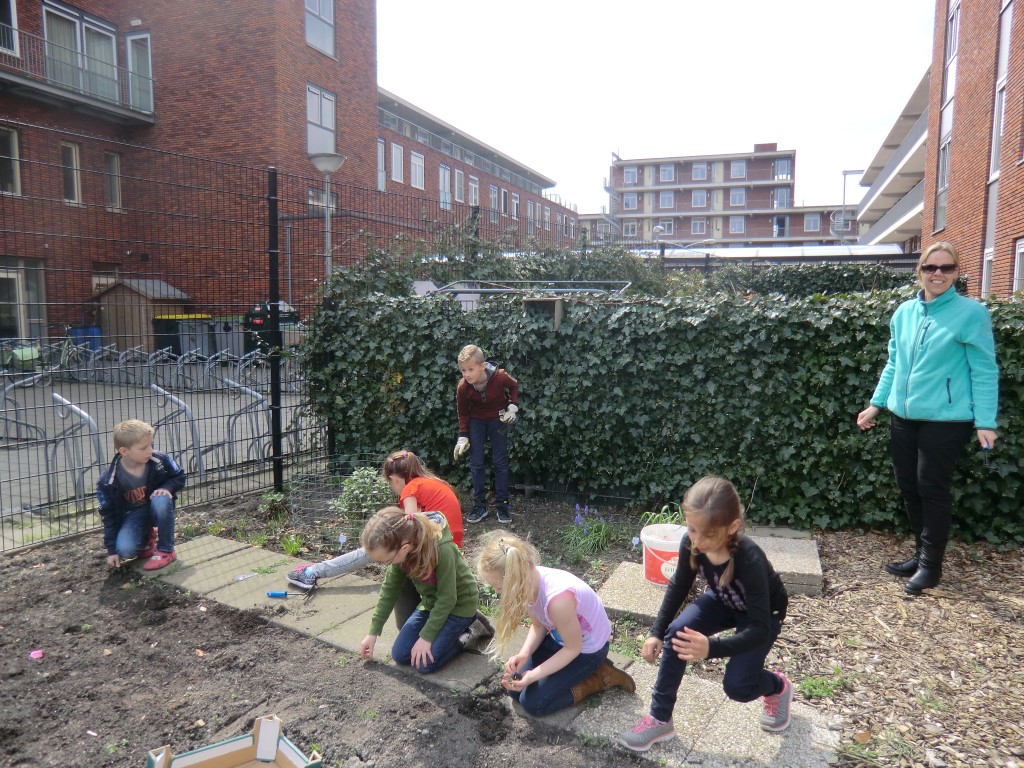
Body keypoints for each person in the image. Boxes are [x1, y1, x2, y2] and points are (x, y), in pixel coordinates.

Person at [857, 241, 999, 595]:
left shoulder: (971, 314)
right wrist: (876, 404)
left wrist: (985, 421)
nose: (938, 274)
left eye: (946, 268)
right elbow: (894, 363)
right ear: (919, 271)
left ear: (956, 273)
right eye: (930, 267)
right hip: (904, 416)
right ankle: (921, 554)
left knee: (931, 487)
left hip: (946, 420)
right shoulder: (904, 312)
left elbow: (984, 371)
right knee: (909, 487)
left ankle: (931, 567)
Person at [619, 476, 790, 753]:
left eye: (708, 534)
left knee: (738, 687)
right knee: (677, 634)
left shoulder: (750, 559)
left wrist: (711, 647)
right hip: (723, 600)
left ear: (732, 527)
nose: (697, 541)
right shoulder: (693, 541)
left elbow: (758, 628)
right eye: (693, 530)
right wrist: (656, 632)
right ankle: (660, 718)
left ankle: (777, 686)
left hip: (761, 616)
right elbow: (678, 586)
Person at [286, 450, 488, 642]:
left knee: (372, 550)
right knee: (386, 554)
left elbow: (409, 527)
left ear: (395, 479)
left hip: (437, 548)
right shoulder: (431, 482)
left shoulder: (410, 488)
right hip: (445, 544)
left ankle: (315, 571)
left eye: (391, 485)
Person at [476, 531, 635, 717]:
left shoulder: (558, 601)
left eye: (500, 588)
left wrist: (533, 675)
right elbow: (539, 625)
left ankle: (599, 677)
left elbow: (572, 649)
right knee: (514, 688)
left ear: (515, 579)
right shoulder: (527, 584)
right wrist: (524, 653)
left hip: (587, 650)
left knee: (534, 704)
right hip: (559, 639)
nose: (497, 592)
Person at [358, 506, 479, 674]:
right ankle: (444, 635)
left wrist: (426, 637)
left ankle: (470, 633)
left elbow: (447, 598)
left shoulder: (443, 549)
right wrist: (373, 632)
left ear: (404, 548)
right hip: (431, 604)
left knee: (424, 664)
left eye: (385, 561)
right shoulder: (401, 551)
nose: (384, 565)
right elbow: (389, 590)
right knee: (400, 655)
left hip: (459, 607)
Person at [97, 419, 186, 572]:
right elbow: (108, 515)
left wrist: (167, 488)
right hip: (133, 516)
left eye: (151, 445)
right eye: (143, 448)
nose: (150, 450)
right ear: (124, 451)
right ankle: (147, 538)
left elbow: (179, 476)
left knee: (161, 499)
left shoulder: (159, 460)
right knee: (125, 551)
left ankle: (166, 550)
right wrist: (111, 550)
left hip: (157, 506)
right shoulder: (108, 481)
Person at [453, 344, 520, 524]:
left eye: (470, 369)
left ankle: (503, 505)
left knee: (500, 462)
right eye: (463, 370)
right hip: (476, 421)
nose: (466, 374)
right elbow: (463, 412)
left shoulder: (500, 376)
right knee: (476, 464)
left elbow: (514, 386)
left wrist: (513, 407)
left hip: (498, 419)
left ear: (483, 366)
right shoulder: (463, 387)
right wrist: (463, 435)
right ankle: (480, 505)